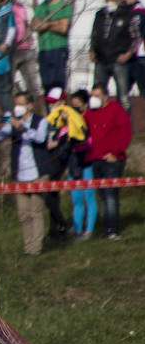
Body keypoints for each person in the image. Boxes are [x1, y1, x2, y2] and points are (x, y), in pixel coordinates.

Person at [0, 93, 58, 256]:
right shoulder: (12, 121)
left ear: (29, 106)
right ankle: (27, 247)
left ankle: (36, 248)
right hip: (20, 174)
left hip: (38, 172)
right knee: (23, 214)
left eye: (20, 104)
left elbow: (40, 138)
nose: (17, 107)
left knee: (36, 211)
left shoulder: (41, 121)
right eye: (15, 104)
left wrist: (23, 128)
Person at [82, 83, 132, 240]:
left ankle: (112, 230)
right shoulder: (91, 112)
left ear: (105, 96)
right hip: (96, 158)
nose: (93, 99)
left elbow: (126, 132)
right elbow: (82, 124)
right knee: (103, 195)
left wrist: (115, 153)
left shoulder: (116, 110)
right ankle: (106, 228)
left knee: (110, 195)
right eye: (92, 96)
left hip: (112, 160)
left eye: (96, 95)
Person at [47, 86, 88, 239]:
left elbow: (76, 138)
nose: (51, 106)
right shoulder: (52, 118)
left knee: (50, 194)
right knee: (51, 195)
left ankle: (62, 224)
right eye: (50, 103)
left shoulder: (70, 116)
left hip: (63, 160)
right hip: (49, 160)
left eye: (54, 103)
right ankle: (55, 229)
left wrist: (65, 122)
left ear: (62, 102)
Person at [65, 89, 98, 240]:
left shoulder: (90, 118)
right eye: (73, 106)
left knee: (89, 196)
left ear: (85, 105)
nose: (75, 109)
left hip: (87, 162)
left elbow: (91, 140)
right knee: (76, 198)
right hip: (74, 162)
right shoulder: (70, 120)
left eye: (78, 106)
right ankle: (77, 229)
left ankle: (89, 230)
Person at [89, 0, 132, 100]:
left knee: (122, 95)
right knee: (97, 93)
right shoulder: (100, 15)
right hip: (101, 59)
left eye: (113, 1)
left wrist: (128, 54)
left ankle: (123, 116)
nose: (110, 4)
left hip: (118, 59)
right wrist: (92, 50)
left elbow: (136, 37)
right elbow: (94, 34)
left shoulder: (127, 15)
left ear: (119, 1)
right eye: (108, 1)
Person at [30, 0, 71, 95]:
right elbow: (35, 26)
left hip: (58, 48)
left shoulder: (63, 5)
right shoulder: (41, 7)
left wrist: (45, 24)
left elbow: (63, 28)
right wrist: (54, 23)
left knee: (58, 83)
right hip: (43, 49)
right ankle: (49, 110)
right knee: (46, 84)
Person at [9, 0, 39, 105]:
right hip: (11, 50)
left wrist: (29, 37)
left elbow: (25, 24)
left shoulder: (21, 8)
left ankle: (33, 106)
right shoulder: (6, 8)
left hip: (25, 48)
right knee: (9, 84)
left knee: (32, 83)